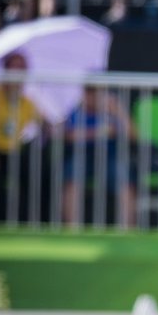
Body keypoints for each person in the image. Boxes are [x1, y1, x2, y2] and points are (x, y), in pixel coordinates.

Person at [0, 51, 43, 223]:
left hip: (13, 152)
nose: (19, 72)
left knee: (36, 173)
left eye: (22, 68)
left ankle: (32, 222)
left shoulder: (26, 101)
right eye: (15, 67)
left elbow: (43, 123)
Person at [61, 85, 140, 227]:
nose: (93, 96)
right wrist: (99, 132)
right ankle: (71, 228)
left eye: (97, 91)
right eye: (90, 91)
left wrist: (118, 111)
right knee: (72, 174)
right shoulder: (77, 110)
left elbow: (133, 135)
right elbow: (69, 136)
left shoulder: (113, 110)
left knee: (124, 177)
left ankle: (128, 229)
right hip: (83, 154)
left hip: (110, 156)